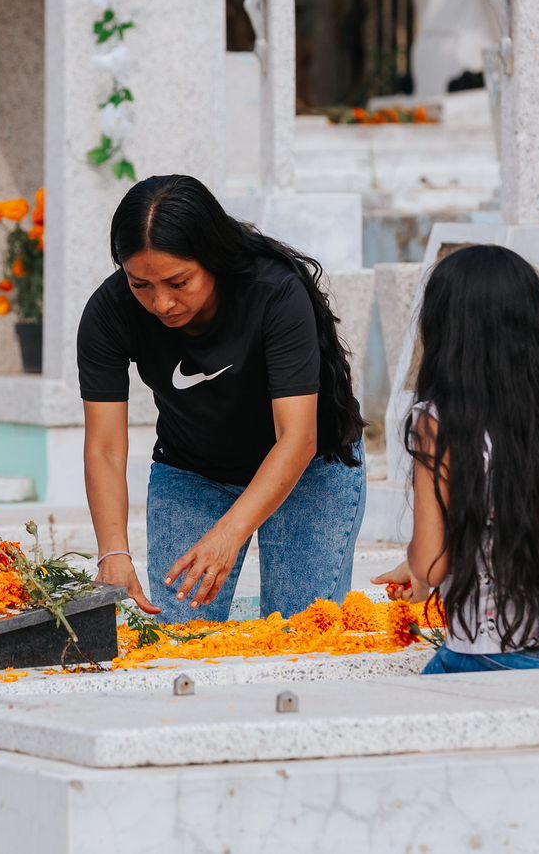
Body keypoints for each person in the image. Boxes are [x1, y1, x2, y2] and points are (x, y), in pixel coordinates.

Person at [78, 174, 366, 620]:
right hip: (194, 472)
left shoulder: (273, 291)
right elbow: (105, 447)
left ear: (212, 258)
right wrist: (112, 552)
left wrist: (230, 534)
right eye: (141, 285)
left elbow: (297, 438)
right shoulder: (109, 312)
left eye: (179, 283)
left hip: (310, 468)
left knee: (302, 633)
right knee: (180, 636)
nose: (161, 303)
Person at [372, 245, 539, 673]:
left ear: (444, 329)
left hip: (501, 647)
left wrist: (418, 567)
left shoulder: (438, 421)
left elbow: (432, 565)